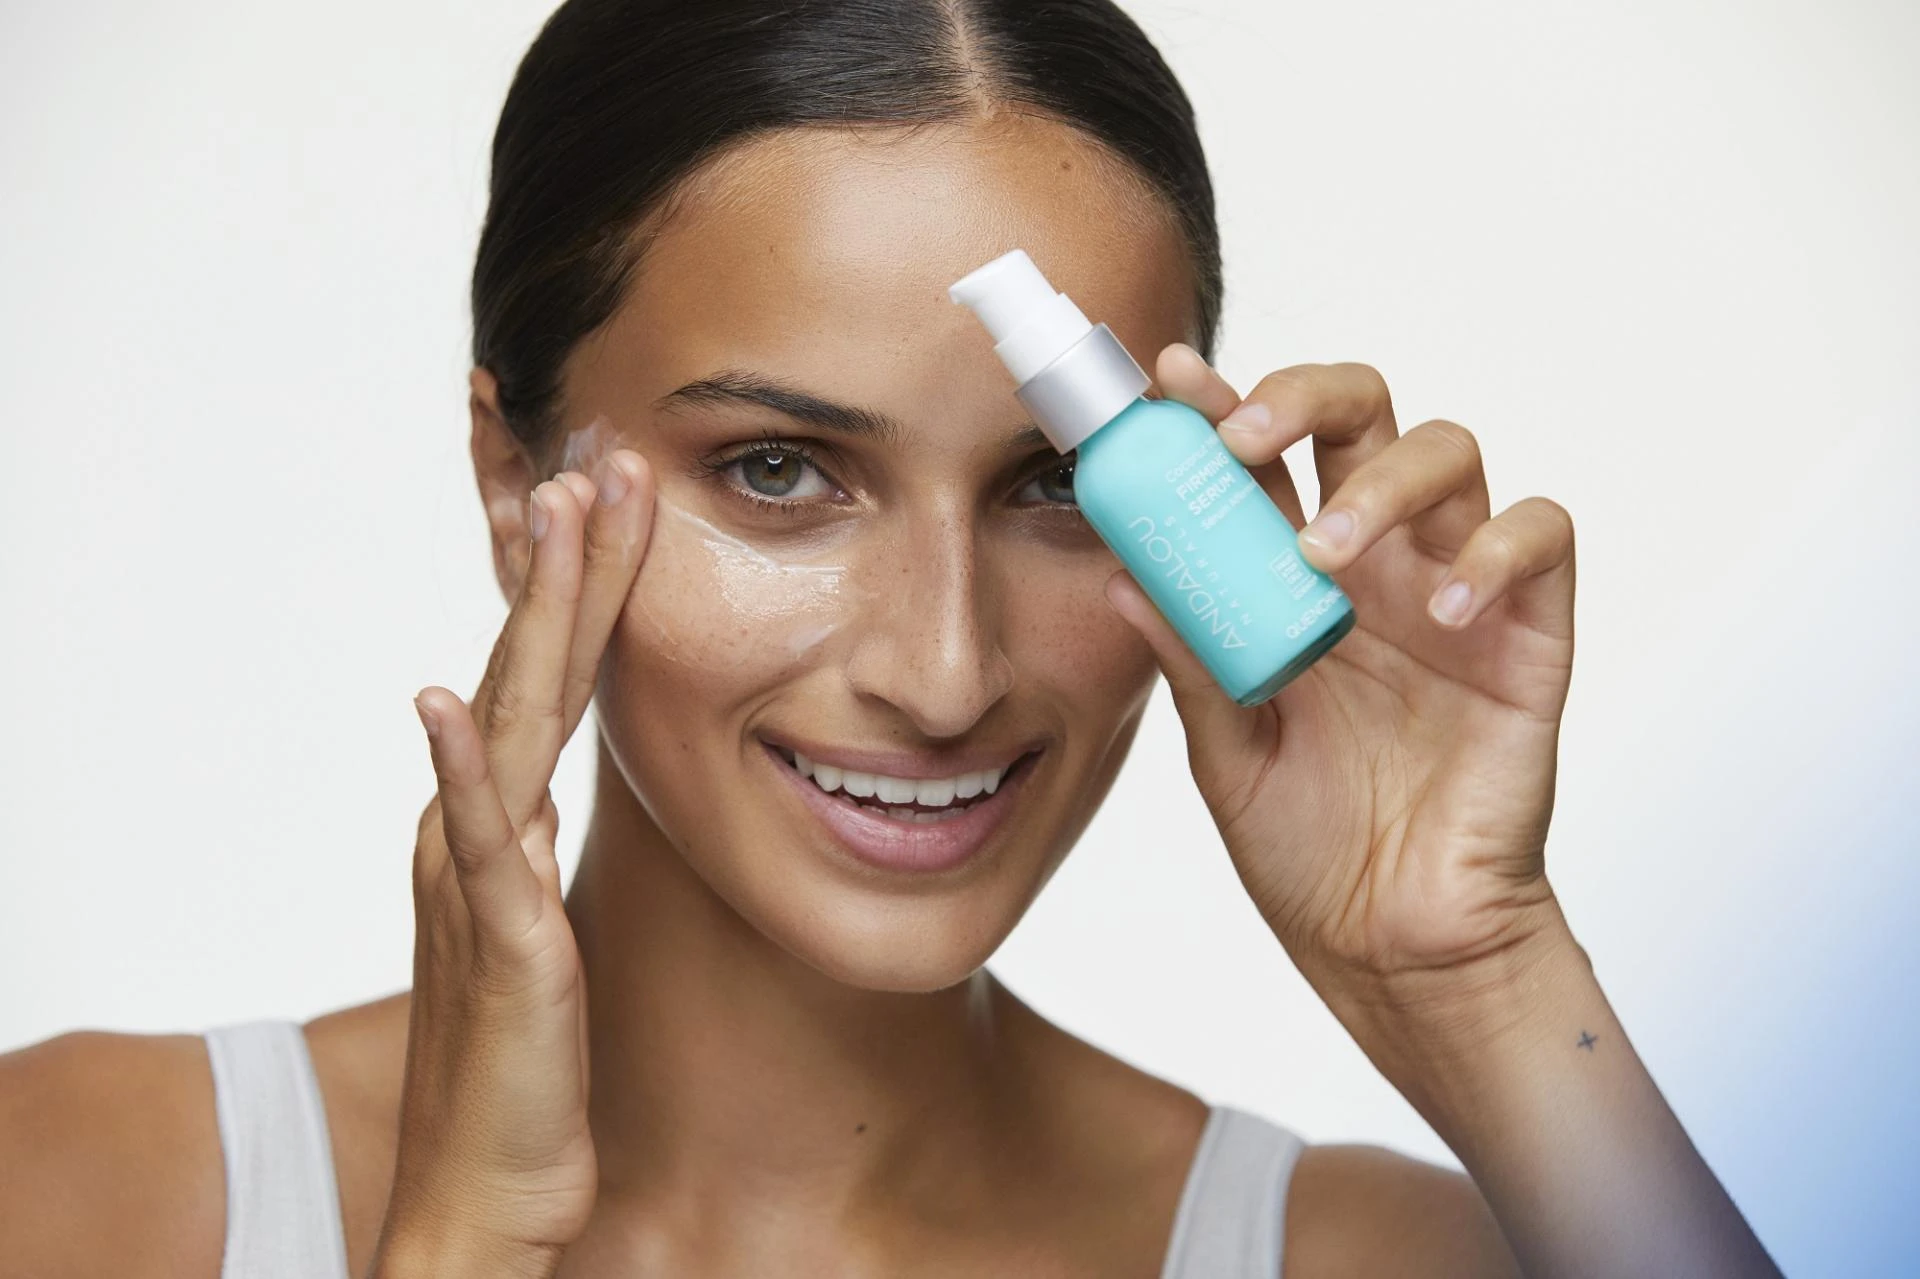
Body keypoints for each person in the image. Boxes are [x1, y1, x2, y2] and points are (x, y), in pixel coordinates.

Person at [0, 1, 1783, 1275]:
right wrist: (464, 1238)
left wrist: (1473, 973)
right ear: (510, 475)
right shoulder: (86, 1194)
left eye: (1059, 484)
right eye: (780, 470)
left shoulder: (1375, 1256)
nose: (946, 673)